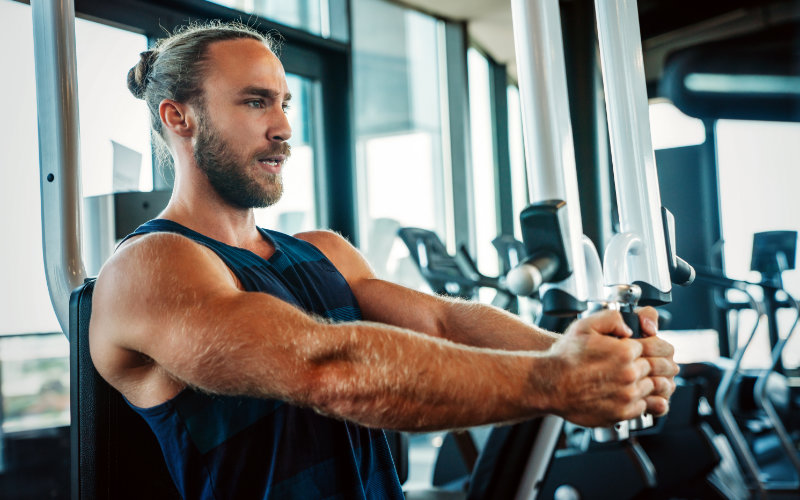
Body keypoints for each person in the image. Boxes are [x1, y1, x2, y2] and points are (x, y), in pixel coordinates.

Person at [90, 21, 678, 500]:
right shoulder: (152, 266)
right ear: (178, 116)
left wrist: (592, 357)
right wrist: (559, 381)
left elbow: (445, 324)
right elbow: (327, 371)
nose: (285, 128)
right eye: (255, 102)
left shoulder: (322, 251)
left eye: (285, 103)